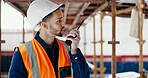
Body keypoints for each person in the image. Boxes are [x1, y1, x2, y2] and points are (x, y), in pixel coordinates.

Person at [8, 0, 90, 78]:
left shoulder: (68, 48)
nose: (63, 24)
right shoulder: (23, 53)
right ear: (44, 25)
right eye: (59, 20)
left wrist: (74, 52)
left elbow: (84, 76)